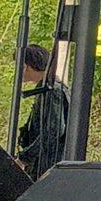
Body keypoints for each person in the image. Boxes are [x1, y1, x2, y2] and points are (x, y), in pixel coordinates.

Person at [15, 44, 68, 177]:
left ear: (26, 66)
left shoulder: (51, 91)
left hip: (47, 167)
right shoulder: (49, 88)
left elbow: (54, 130)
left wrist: (25, 158)